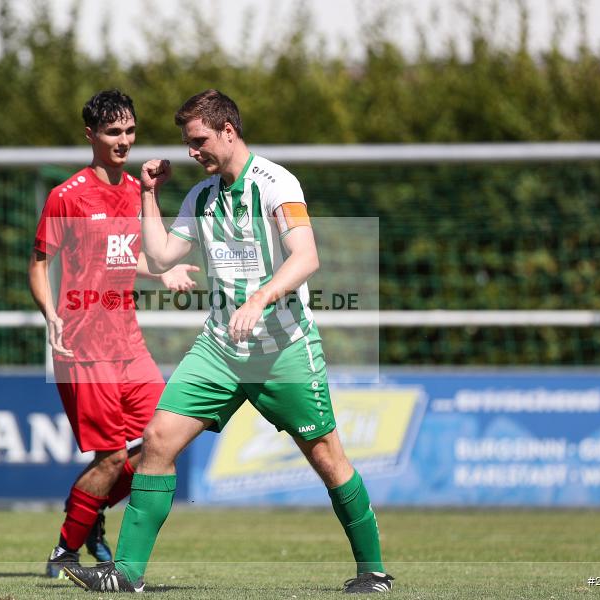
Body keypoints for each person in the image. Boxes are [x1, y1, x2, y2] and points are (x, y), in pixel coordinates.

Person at [63, 89, 394, 594]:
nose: (192, 151)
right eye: (187, 143)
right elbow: (161, 254)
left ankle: (373, 572)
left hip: (283, 349)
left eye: (198, 141)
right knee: (156, 441)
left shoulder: (277, 183)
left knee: (326, 454)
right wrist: (148, 194)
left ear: (228, 132)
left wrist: (259, 299)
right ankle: (126, 575)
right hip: (218, 350)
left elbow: (306, 257)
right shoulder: (201, 196)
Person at [29, 89, 198, 578]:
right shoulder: (68, 195)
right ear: (91, 135)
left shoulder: (133, 190)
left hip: (128, 342)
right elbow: (39, 265)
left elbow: (131, 254)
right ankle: (65, 550)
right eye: (112, 132)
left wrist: (162, 272)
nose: (123, 141)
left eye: (129, 131)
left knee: (163, 439)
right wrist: (50, 314)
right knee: (111, 458)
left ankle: (92, 510)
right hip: (84, 346)